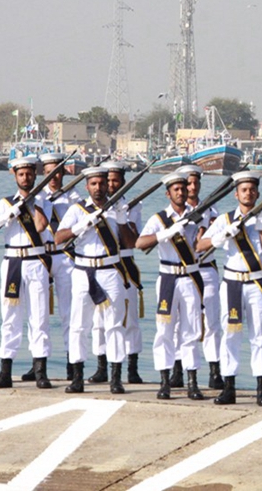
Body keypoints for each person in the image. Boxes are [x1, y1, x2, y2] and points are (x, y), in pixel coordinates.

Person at [196, 171, 262, 406]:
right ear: (236, 194)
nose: (248, 193)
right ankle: (228, 386)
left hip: (258, 282)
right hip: (232, 283)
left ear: (258, 193)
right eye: (244, 190)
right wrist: (221, 236)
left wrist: (261, 228)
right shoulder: (225, 219)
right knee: (230, 335)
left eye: (252, 190)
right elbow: (199, 246)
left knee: (261, 336)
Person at [55, 166, 136, 395]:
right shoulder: (77, 209)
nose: (98, 188)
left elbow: (131, 243)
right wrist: (80, 226)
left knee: (114, 325)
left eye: (102, 183)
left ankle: (116, 378)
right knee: (79, 325)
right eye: (93, 184)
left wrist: (122, 220)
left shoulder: (116, 209)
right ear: (87, 186)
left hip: (110, 270)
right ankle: (77, 377)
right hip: (83, 270)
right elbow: (58, 238)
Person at [0, 156, 53, 389]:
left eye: (29, 174)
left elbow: (40, 226)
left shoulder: (43, 200)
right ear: (15, 176)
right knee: (10, 317)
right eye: (21, 174)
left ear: (35, 175)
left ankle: (40, 371)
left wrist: (32, 204)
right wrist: (7, 215)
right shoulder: (5, 202)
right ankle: (5, 371)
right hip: (12, 262)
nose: (25, 178)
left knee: (39, 317)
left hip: (35, 260)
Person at [135, 171, 206, 401]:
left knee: (191, 330)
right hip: (167, 277)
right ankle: (164, 381)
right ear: (168, 194)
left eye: (183, 188)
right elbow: (140, 243)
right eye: (176, 189)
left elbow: (201, 246)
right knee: (164, 330)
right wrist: (165, 233)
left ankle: (192, 382)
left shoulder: (197, 216)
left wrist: (202, 228)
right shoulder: (159, 219)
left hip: (190, 276)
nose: (181, 192)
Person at [84, 160, 146, 385]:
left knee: (129, 319)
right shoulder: (91, 207)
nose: (110, 185)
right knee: (98, 320)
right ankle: (101, 366)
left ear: (123, 182)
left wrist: (122, 217)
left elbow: (133, 240)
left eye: (115, 181)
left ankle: (132, 367)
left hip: (123, 266)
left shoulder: (131, 206)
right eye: (107, 180)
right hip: (100, 266)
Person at [31, 152, 81, 382]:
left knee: (69, 313)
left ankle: (73, 364)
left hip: (65, 256)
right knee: (38, 314)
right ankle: (37, 364)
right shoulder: (36, 195)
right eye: (49, 172)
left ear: (64, 173)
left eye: (58, 172)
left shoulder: (73, 196)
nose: (54, 177)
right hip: (41, 256)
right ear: (44, 173)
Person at [181, 164, 224, 390]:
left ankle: (214, 369)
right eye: (188, 183)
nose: (192, 187)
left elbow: (210, 242)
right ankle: (179, 368)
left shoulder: (211, 210)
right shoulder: (176, 212)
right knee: (183, 322)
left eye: (196, 183)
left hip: (206, 268)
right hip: (184, 271)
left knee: (212, 321)